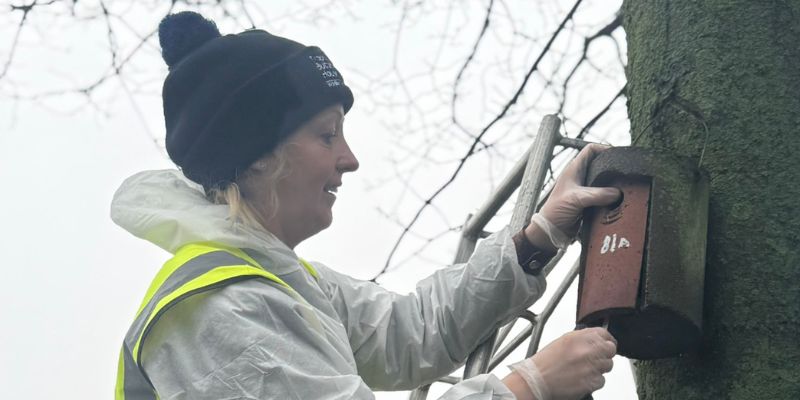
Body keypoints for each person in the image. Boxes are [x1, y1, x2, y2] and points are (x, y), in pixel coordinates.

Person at [112, 11, 620, 400]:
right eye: (326, 135)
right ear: (259, 158)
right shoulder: (217, 312)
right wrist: (525, 385)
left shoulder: (286, 285)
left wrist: (539, 235)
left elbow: (415, 330)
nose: (349, 160)